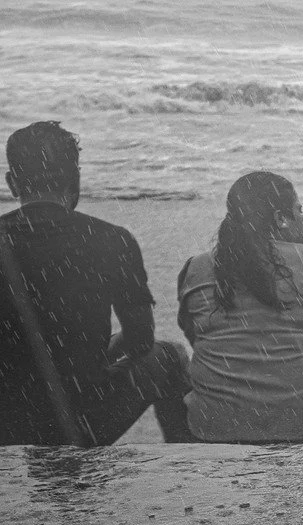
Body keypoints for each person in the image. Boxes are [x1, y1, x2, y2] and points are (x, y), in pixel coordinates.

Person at [0, 121, 190, 446]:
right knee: (169, 356)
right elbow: (141, 339)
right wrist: (98, 352)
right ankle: (180, 460)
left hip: (9, 420)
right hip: (84, 420)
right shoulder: (111, 240)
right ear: (75, 178)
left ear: (12, 183)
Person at [176, 171, 303, 443]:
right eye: (299, 210)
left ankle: (181, 456)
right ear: (281, 219)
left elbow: (196, 340)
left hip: (217, 430)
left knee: (174, 361)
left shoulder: (196, 268)